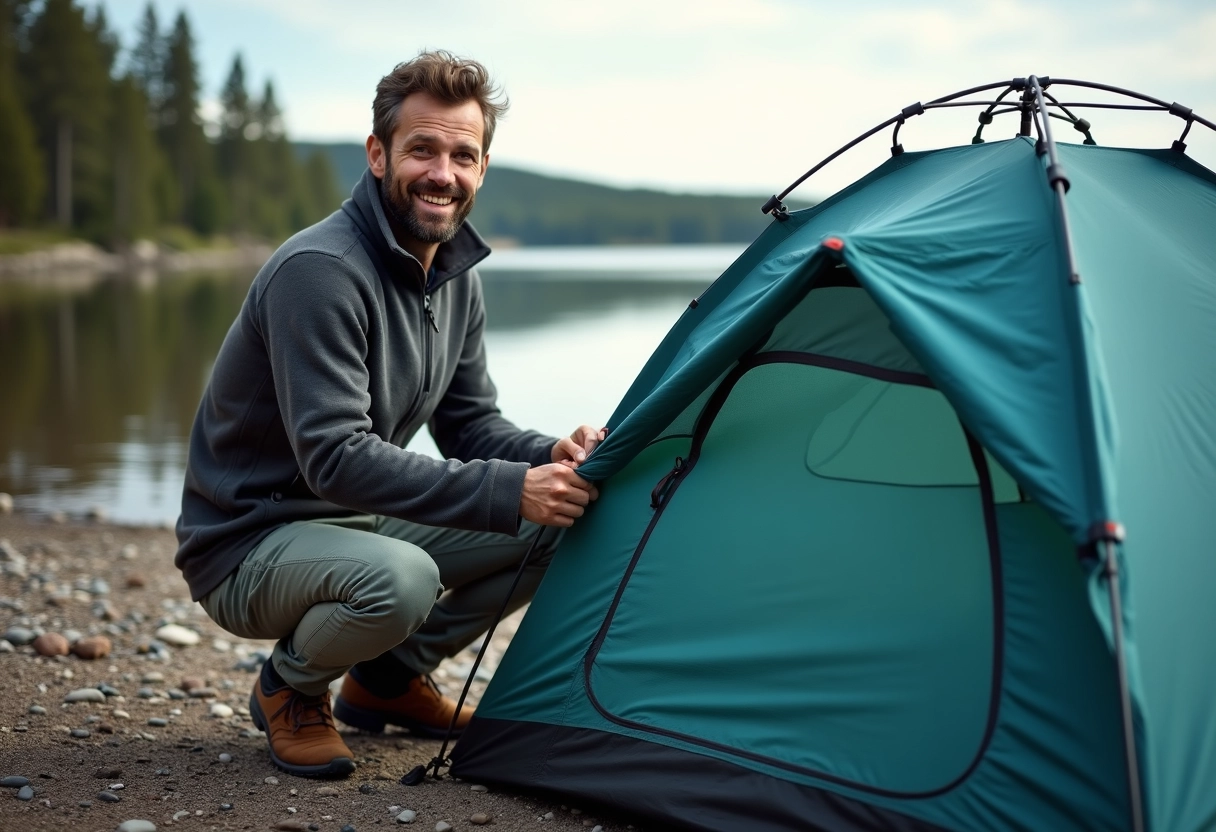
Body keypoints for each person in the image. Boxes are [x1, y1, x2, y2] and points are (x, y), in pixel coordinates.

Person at [174, 51, 603, 779]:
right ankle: (290, 689)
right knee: (401, 579)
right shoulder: (320, 271)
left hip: (355, 521)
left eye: (462, 155)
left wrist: (552, 457)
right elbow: (335, 457)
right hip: (246, 542)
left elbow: (470, 424)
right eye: (422, 150)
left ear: (483, 168)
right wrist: (509, 488)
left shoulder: (454, 276)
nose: (443, 173)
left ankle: (387, 680)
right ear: (379, 155)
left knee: (566, 515)